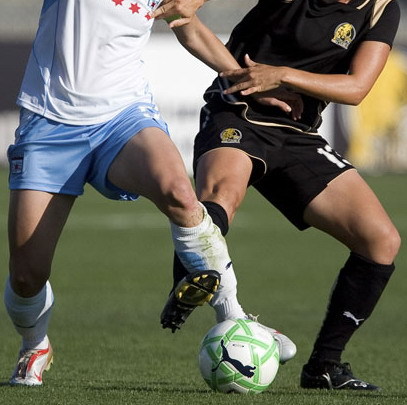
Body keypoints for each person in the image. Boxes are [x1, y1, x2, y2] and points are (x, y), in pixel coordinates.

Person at [4, 0, 297, 386]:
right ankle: (35, 343)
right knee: (27, 276)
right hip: (49, 121)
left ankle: (235, 316)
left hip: (123, 117)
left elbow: (184, 19)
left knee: (178, 191)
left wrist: (240, 78)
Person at [160, 0, 401, 391]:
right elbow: (182, 11)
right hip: (236, 110)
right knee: (222, 194)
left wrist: (283, 76)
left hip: (297, 132)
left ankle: (324, 366)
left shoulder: (380, 8)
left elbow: (357, 88)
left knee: (381, 241)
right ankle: (188, 279)